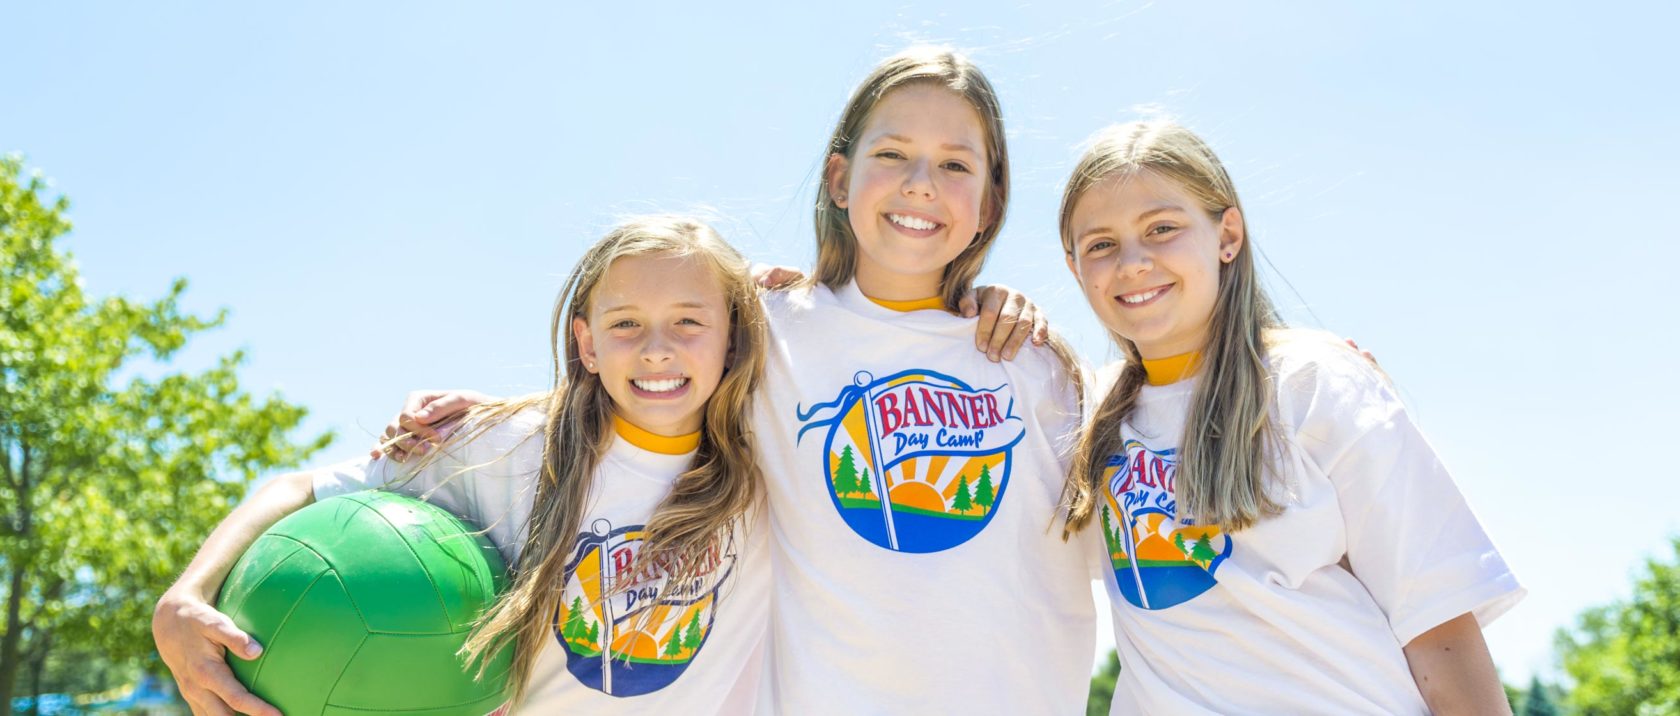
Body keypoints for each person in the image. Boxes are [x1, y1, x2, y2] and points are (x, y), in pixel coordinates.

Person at [387, 47, 1102, 714]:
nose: (921, 183)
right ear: (837, 180)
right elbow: (656, 374)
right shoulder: (768, 332)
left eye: (955, 164)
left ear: (991, 197)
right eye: (892, 154)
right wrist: (505, 418)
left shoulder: (1031, 359)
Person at [153, 216, 773, 715]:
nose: (657, 348)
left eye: (689, 321)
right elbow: (298, 489)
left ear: (734, 333)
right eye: (626, 324)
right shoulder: (505, 446)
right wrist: (184, 596)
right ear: (587, 343)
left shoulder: (774, 467)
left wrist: (785, 297)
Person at [1057, 120, 1524, 714]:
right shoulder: (1083, 424)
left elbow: (1437, 624)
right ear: (1075, 267)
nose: (1132, 262)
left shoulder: (1314, 382)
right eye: (1100, 244)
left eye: (1162, 228)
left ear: (1227, 235)